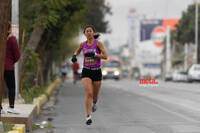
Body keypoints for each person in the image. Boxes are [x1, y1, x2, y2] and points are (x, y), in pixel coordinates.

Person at [71, 25, 107, 125]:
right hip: (86, 70)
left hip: (96, 71)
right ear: (85, 34)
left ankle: (94, 103)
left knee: (95, 96)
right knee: (89, 93)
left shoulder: (98, 43)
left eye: (91, 31)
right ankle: (88, 116)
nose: (89, 33)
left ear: (93, 32)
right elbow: (77, 51)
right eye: (87, 31)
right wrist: (74, 56)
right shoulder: (82, 44)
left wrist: (95, 55)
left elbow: (105, 56)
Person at [2, 23, 21, 114]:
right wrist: (11, 62)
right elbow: (17, 55)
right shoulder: (12, 39)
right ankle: (11, 107)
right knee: (11, 87)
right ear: (9, 28)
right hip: (9, 68)